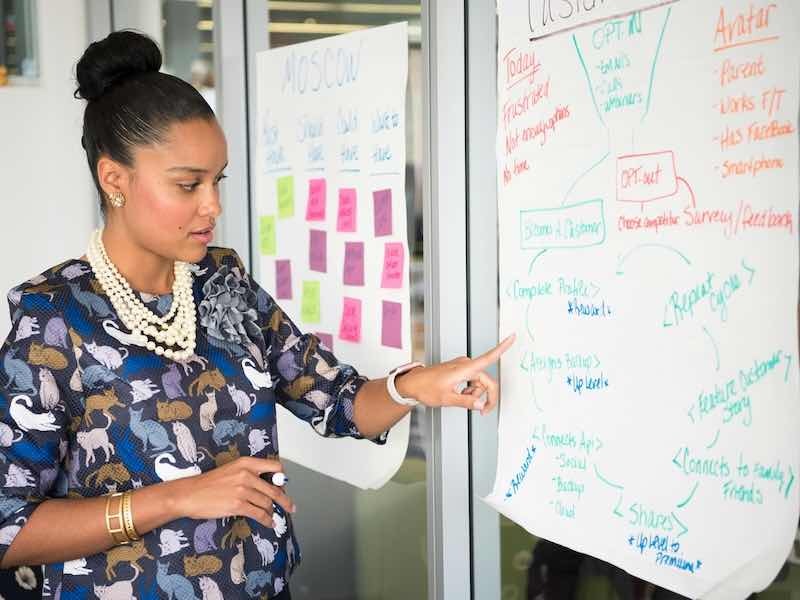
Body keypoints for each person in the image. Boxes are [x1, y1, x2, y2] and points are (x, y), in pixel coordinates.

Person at [0, 30, 514, 599]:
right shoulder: (52, 318)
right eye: (188, 185)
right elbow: (8, 527)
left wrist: (415, 386)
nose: (213, 206)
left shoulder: (224, 284)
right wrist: (175, 497)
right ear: (114, 179)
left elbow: (336, 402)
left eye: (216, 180)